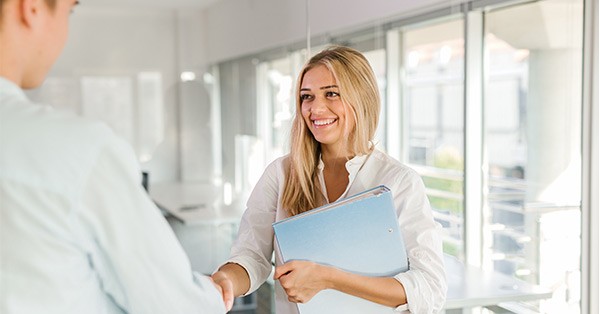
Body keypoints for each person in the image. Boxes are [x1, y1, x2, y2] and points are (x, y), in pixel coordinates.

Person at [0, 0, 230, 313]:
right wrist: (211, 294)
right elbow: (173, 304)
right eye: (69, 11)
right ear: (32, 8)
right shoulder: (81, 151)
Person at [212, 46, 447, 313]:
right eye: (306, 96)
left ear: (362, 98)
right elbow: (251, 257)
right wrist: (227, 279)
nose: (315, 108)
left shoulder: (399, 182)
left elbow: (430, 290)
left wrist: (329, 279)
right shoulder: (281, 174)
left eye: (331, 94)